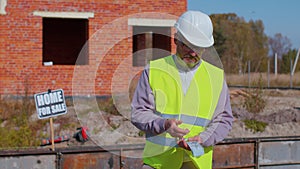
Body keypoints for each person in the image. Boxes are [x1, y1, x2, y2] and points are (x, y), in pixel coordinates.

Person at [131, 10, 233, 169]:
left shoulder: (216, 77)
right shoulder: (154, 70)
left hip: (196, 162)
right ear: (176, 40)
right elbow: (139, 113)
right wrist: (164, 124)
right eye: (187, 45)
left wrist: (203, 138)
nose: (192, 52)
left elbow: (223, 119)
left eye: (198, 47)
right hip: (159, 162)